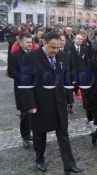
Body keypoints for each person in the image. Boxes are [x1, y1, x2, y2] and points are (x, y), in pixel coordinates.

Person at [20, 31, 83, 173]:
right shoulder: (30, 57)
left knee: (63, 132)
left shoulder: (61, 55)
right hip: (40, 102)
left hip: (59, 101)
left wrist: (69, 98)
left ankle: (69, 164)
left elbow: (65, 78)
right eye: (53, 47)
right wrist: (30, 105)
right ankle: (39, 158)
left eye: (58, 47)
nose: (56, 50)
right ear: (44, 43)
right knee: (40, 133)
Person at [8, 32, 33, 148]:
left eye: (31, 41)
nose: (30, 44)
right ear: (21, 42)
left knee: (34, 112)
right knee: (24, 114)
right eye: (28, 42)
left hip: (34, 88)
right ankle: (25, 136)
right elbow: (12, 71)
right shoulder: (15, 55)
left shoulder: (35, 54)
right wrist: (24, 78)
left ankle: (34, 132)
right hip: (22, 89)